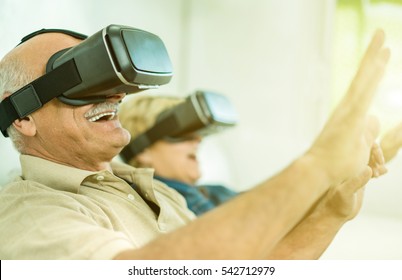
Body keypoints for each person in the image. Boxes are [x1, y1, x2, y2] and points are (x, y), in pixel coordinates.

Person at [0, 26, 390, 260]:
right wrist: (316, 166)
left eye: (116, 83)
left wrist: (332, 213)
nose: (116, 96)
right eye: (81, 78)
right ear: (23, 117)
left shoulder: (145, 187)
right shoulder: (29, 211)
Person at [118, 94, 238, 216]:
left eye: (197, 132)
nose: (198, 139)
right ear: (143, 150)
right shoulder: (154, 204)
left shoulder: (217, 191)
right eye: (183, 134)